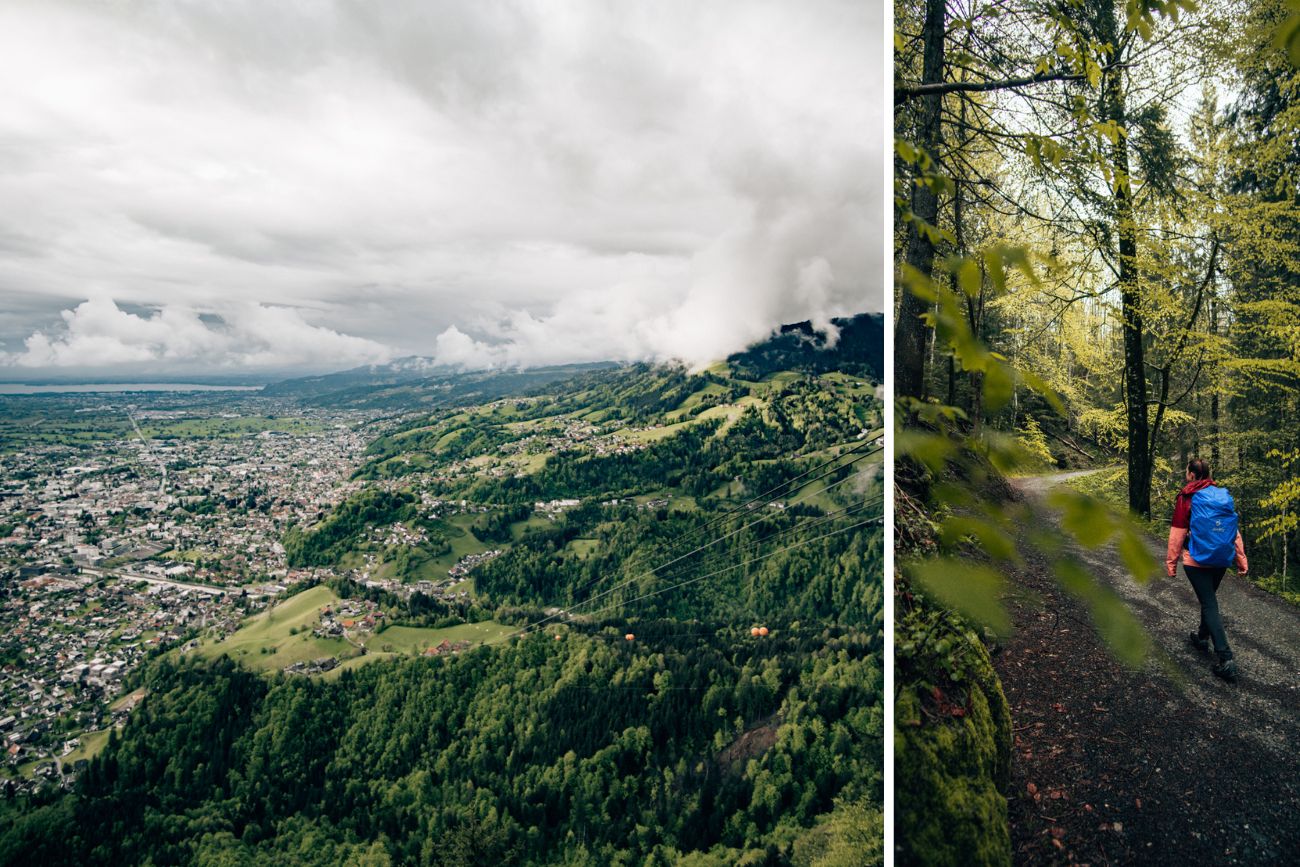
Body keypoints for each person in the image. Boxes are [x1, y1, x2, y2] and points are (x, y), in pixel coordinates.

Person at [1166, 458, 1247, 682]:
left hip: (1196, 561)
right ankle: (1202, 637)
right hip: (1221, 559)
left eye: (1186, 471)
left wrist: (1171, 563)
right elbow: (1233, 531)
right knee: (1208, 598)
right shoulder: (1221, 496)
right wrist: (1241, 559)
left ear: (1192, 474)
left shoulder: (1187, 497)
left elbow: (1177, 533)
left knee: (1209, 603)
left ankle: (1225, 658)